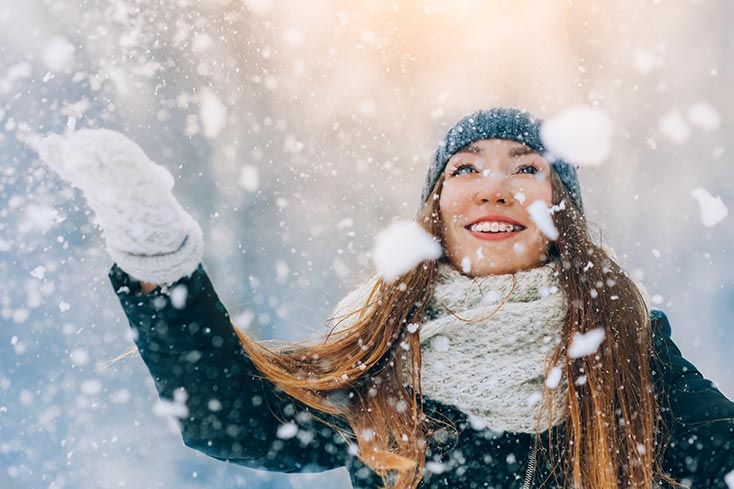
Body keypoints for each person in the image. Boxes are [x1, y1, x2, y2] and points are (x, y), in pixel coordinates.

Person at [38, 108, 734, 489]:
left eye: (527, 168)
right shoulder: (385, 350)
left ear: (561, 215)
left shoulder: (622, 344)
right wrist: (157, 257)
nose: (495, 187)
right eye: (466, 169)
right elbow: (234, 419)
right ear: (437, 210)